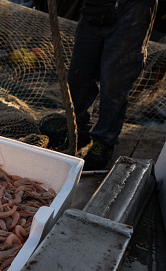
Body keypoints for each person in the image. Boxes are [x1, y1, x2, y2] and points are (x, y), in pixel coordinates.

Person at [67, 0, 158, 170]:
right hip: (94, 8)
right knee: (79, 77)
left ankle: (104, 141)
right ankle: (77, 130)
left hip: (133, 9)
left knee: (114, 85)